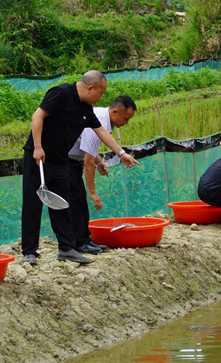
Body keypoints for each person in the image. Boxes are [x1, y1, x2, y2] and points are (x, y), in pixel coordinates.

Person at [22, 71, 139, 266]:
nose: (101, 98)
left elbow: (100, 130)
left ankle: (66, 249)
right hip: (39, 157)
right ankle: (29, 252)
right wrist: (37, 147)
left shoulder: (86, 108)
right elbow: (38, 115)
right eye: (100, 94)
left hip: (61, 160)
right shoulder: (61, 93)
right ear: (90, 88)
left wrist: (121, 153)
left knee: (62, 204)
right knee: (33, 204)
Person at [67, 95, 137, 255]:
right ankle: (78, 242)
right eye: (126, 119)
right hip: (63, 161)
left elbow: (85, 146)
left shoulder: (100, 117)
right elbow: (87, 163)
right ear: (114, 112)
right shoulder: (98, 120)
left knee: (79, 199)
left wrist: (100, 162)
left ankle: (84, 240)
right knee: (76, 200)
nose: (126, 124)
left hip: (71, 160)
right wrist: (93, 193)